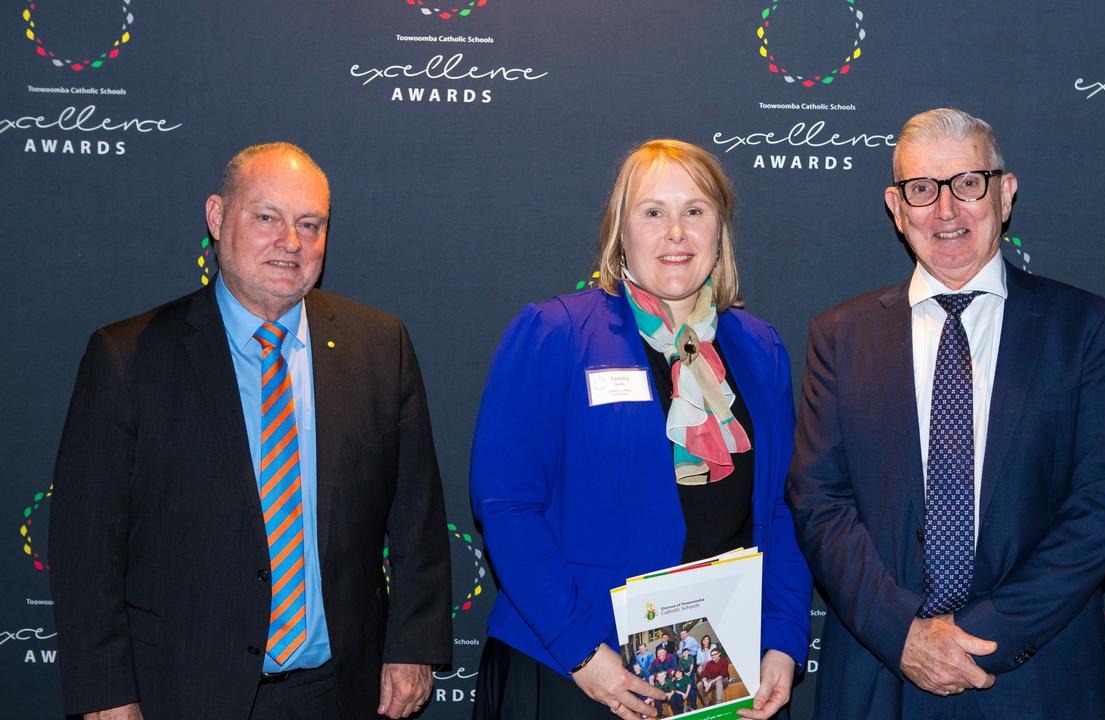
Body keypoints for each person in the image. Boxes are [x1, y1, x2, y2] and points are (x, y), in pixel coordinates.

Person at [48, 143, 453, 720]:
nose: (290, 242)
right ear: (216, 218)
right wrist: (106, 696)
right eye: (266, 217)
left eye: (310, 224)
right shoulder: (128, 357)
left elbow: (417, 516)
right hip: (180, 692)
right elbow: (86, 546)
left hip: (338, 691)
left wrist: (412, 647)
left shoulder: (378, 346)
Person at [786, 108, 1105, 719]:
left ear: (1004, 195)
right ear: (897, 209)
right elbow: (820, 502)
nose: (946, 211)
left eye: (968, 183)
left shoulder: (1083, 328)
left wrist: (982, 635)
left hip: (1038, 672)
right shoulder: (840, 337)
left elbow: (1102, 505)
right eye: (922, 189)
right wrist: (904, 635)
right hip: (882, 674)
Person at [470, 139, 812, 720]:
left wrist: (781, 639)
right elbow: (507, 506)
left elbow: (782, 509)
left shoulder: (760, 348)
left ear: (719, 231)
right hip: (572, 671)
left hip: (713, 675)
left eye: (695, 212)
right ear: (620, 232)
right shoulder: (555, 333)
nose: (675, 233)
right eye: (653, 212)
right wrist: (584, 653)